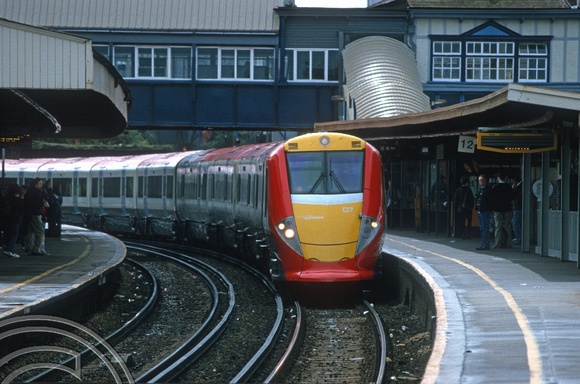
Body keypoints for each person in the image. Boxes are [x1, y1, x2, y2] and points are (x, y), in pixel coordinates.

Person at [24, 178, 49, 256]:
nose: (41, 185)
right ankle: (36, 249)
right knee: (40, 232)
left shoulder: (28, 191)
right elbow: (38, 203)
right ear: (35, 184)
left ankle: (30, 248)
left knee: (30, 232)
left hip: (28, 214)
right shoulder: (37, 192)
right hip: (35, 214)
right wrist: (43, 203)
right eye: (39, 183)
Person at [490, 172, 514, 249]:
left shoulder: (495, 187)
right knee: (507, 226)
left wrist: (492, 208)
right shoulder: (509, 187)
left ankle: (498, 243)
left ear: (498, 178)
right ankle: (508, 243)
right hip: (507, 208)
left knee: (498, 227)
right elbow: (512, 197)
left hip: (497, 209)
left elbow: (492, 199)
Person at [3, 184, 24, 258]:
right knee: (14, 234)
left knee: (9, 234)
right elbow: (21, 208)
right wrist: (21, 198)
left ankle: (7, 249)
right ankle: (9, 250)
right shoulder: (16, 200)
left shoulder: (7, 198)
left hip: (7, 219)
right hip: (14, 219)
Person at [475, 174, 492, 250]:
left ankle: (486, 245)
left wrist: (489, 209)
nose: (481, 182)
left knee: (485, 229)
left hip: (485, 211)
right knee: (482, 229)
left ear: (485, 181)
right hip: (480, 211)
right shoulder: (480, 189)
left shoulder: (488, 190)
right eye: (480, 180)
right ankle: (483, 244)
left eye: (482, 180)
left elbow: (490, 200)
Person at [512, 175, 522, 245]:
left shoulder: (518, 188)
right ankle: (520, 237)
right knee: (520, 223)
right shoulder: (523, 186)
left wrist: (513, 188)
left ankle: (518, 238)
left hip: (518, 207)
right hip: (521, 207)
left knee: (515, 223)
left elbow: (515, 196)